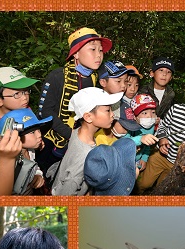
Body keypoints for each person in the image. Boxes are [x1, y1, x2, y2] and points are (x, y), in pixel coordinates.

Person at [36, 27, 112, 182]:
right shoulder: (57, 77)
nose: (98, 55)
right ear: (76, 53)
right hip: (52, 142)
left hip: (80, 142)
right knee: (47, 180)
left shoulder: (93, 79)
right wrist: (71, 135)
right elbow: (45, 112)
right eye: (92, 49)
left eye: (101, 50)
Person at [136, 75, 185, 193]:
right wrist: (162, 139)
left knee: (161, 190)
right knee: (143, 183)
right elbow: (163, 126)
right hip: (160, 157)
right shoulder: (176, 109)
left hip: (178, 165)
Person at [50, 87, 123, 196]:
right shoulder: (85, 156)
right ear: (88, 117)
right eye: (108, 110)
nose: (112, 114)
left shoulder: (77, 132)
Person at [0, 108, 52, 195]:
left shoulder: (30, 151)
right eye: (32, 132)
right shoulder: (4, 163)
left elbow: (33, 166)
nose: (39, 135)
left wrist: (37, 175)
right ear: (14, 136)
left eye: (39, 130)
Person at [94, 60, 129, 145]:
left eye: (126, 81)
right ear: (103, 82)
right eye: (118, 81)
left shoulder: (123, 103)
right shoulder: (95, 104)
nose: (123, 85)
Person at [139, 57, 175, 121]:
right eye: (161, 70)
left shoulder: (171, 94)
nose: (164, 74)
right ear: (152, 73)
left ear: (171, 78)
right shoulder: (142, 91)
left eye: (168, 72)